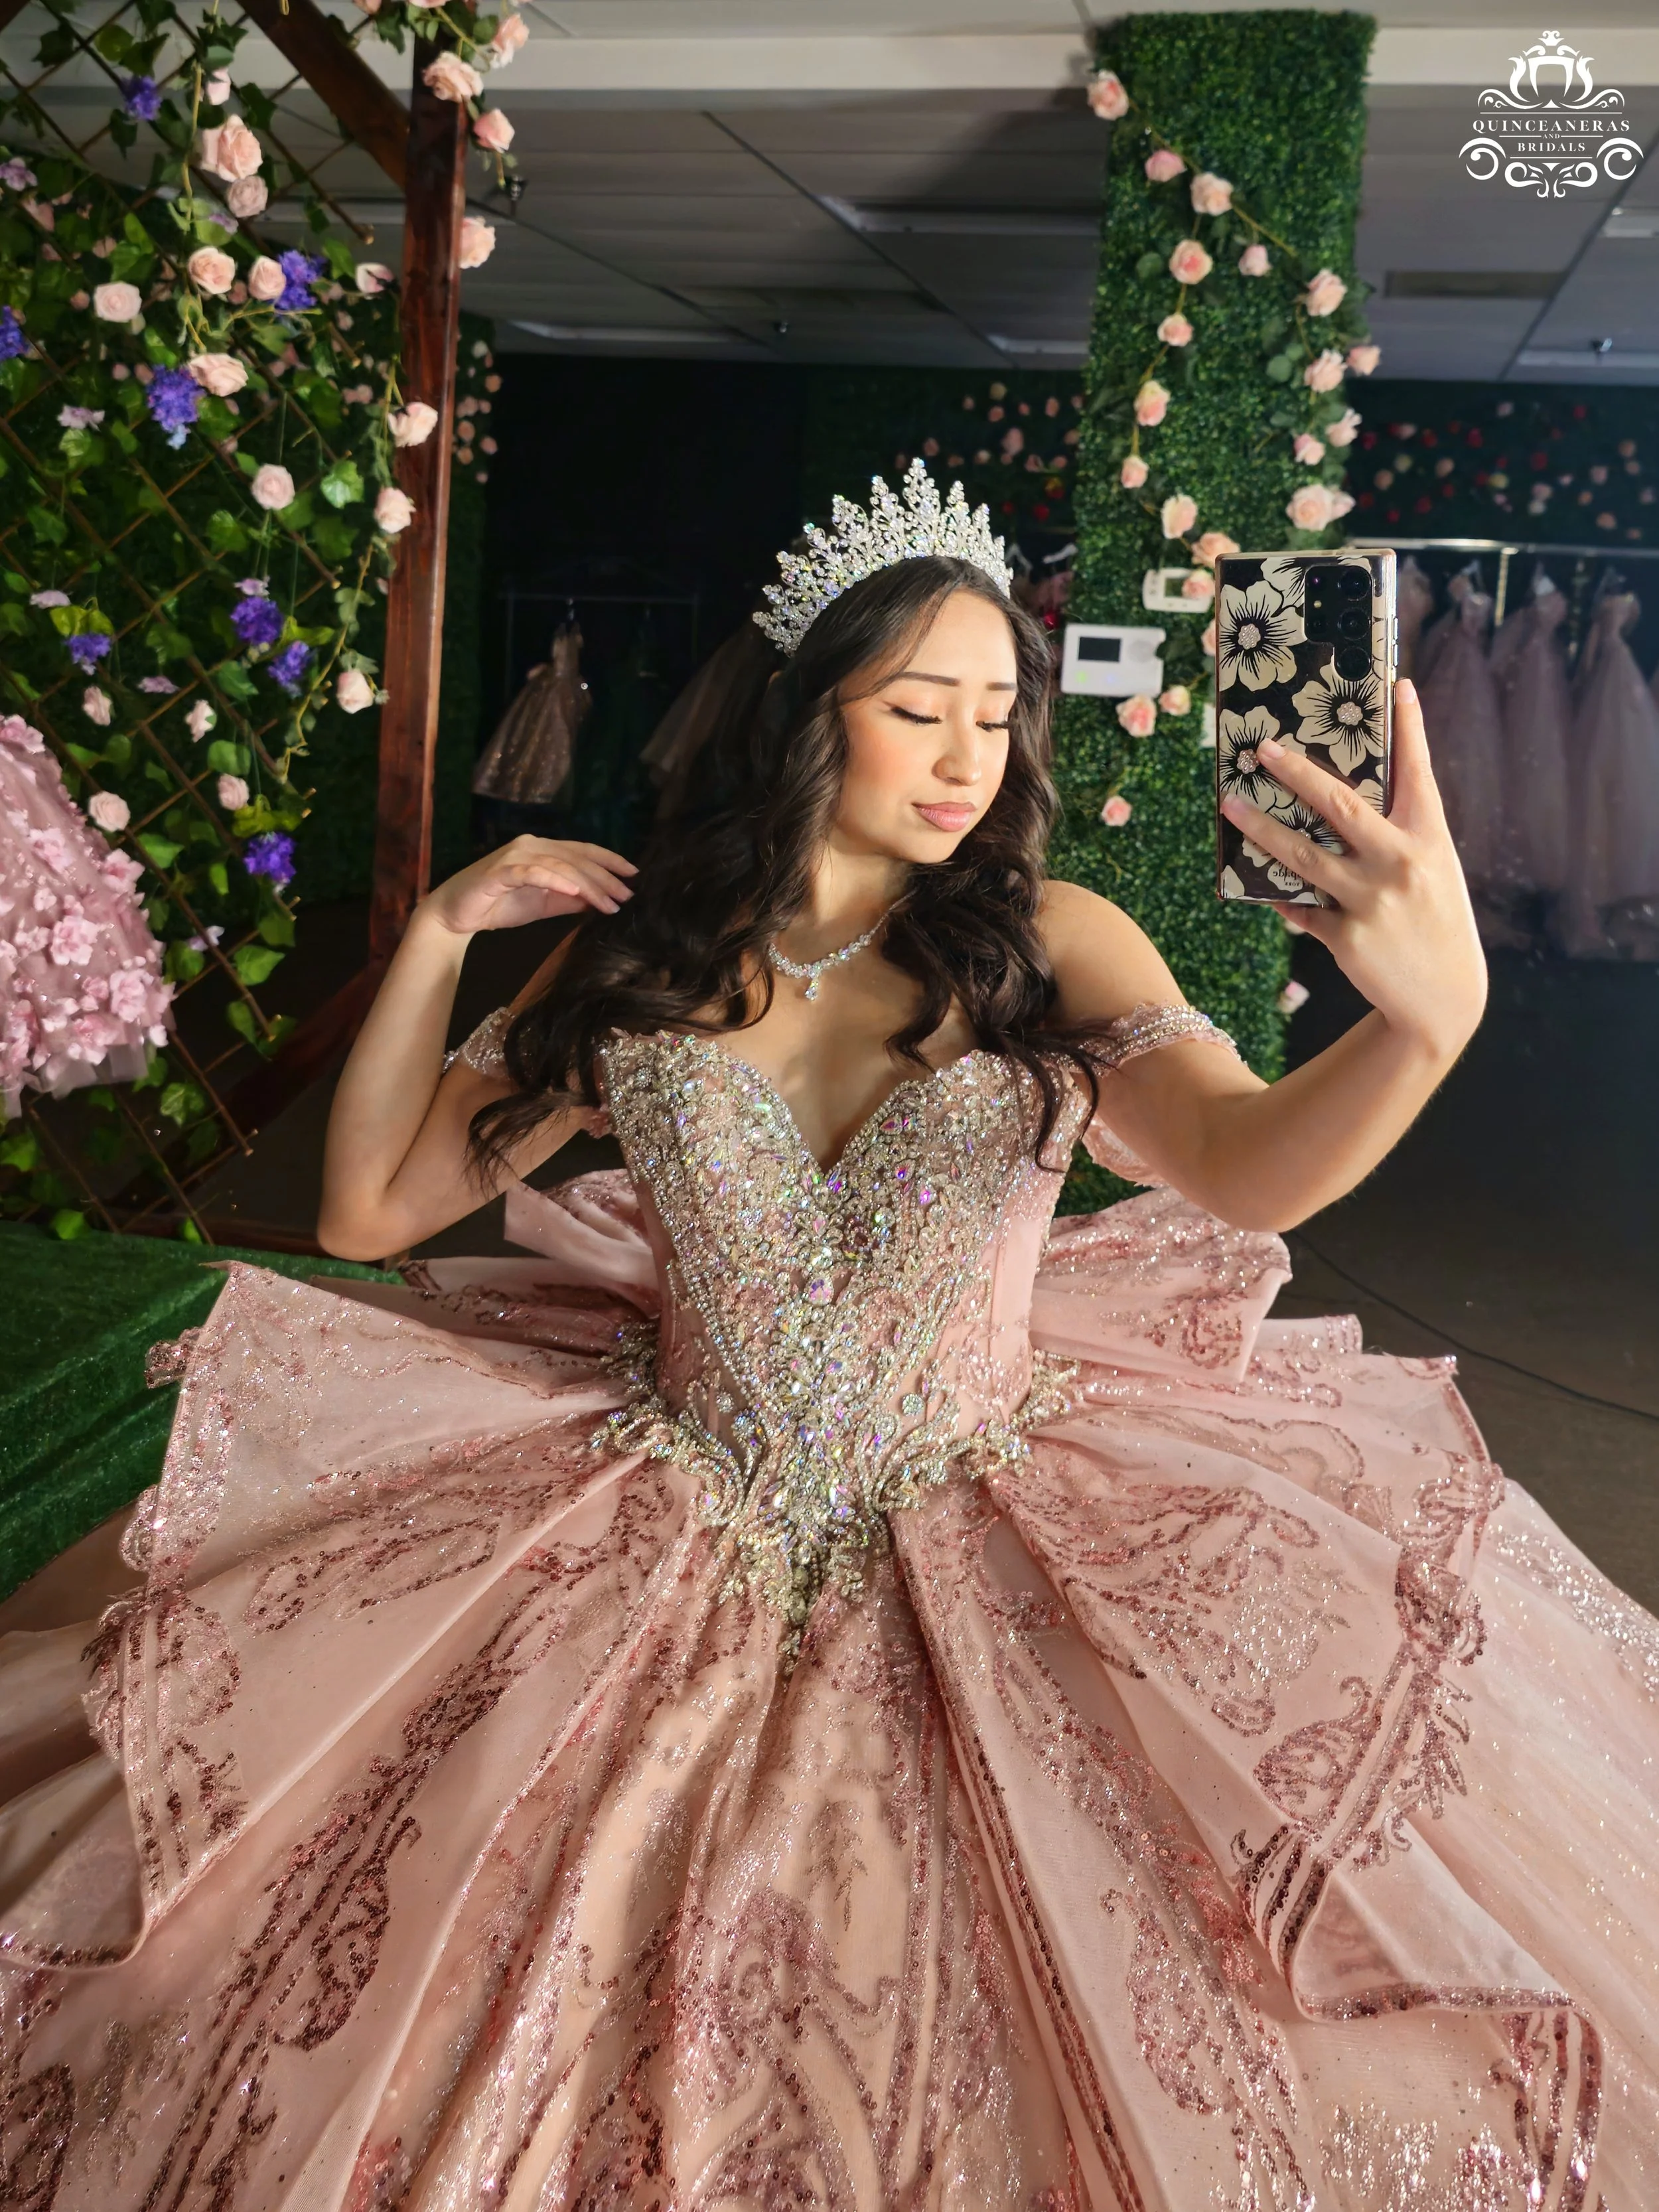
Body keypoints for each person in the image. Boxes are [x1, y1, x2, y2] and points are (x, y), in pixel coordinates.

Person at [3, 465, 1655, 2210]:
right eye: (915, 707)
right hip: (661, 1494)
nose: (966, 755)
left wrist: (1424, 1029)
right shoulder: (647, 947)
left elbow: (1243, 1172)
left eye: (995, 711)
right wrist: (434, 933)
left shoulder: (1050, 938)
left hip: (990, 1495)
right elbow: (368, 1212)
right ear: (808, 712)